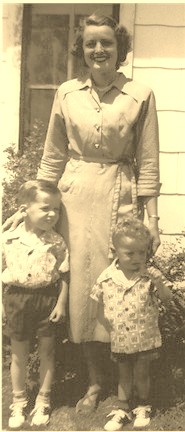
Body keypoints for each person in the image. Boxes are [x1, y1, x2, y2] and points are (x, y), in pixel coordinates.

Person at [3, 13, 161, 413]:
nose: (98, 49)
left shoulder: (140, 95)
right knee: (80, 289)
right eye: (90, 43)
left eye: (106, 42)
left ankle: (122, 384)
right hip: (74, 196)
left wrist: (152, 219)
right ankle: (93, 382)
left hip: (120, 194)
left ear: (119, 47)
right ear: (82, 49)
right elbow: (52, 156)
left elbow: (148, 162)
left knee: (117, 286)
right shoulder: (67, 93)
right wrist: (31, 209)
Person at [90, 216, 173, 430]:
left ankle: (143, 406)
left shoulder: (148, 277)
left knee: (142, 373)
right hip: (120, 338)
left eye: (142, 253)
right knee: (124, 375)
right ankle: (122, 408)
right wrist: (104, 327)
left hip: (145, 336)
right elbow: (99, 304)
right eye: (130, 253)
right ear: (115, 250)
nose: (137, 258)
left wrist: (160, 283)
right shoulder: (107, 278)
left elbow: (166, 299)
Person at [2, 180, 69, 429]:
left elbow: (64, 276)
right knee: (18, 355)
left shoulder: (57, 242)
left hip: (47, 300)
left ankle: (43, 399)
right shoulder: (8, 239)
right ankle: (18, 401)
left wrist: (61, 304)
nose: (52, 214)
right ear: (24, 209)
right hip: (16, 300)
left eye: (57, 209)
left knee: (47, 352)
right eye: (45, 208)